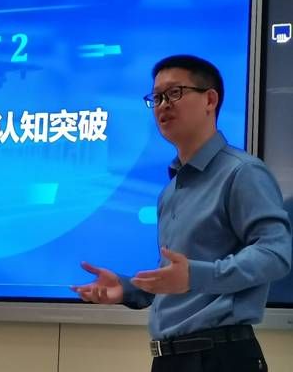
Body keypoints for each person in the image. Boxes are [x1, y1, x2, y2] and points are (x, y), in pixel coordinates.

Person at [72, 55, 292, 372]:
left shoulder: (242, 173)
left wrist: (195, 276)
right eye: (157, 97)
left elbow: (275, 253)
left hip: (220, 356)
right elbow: (175, 280)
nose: (163, 105)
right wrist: (128, 289)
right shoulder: (171, 191)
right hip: (169, 358)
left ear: (210, 100)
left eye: (174, 93)